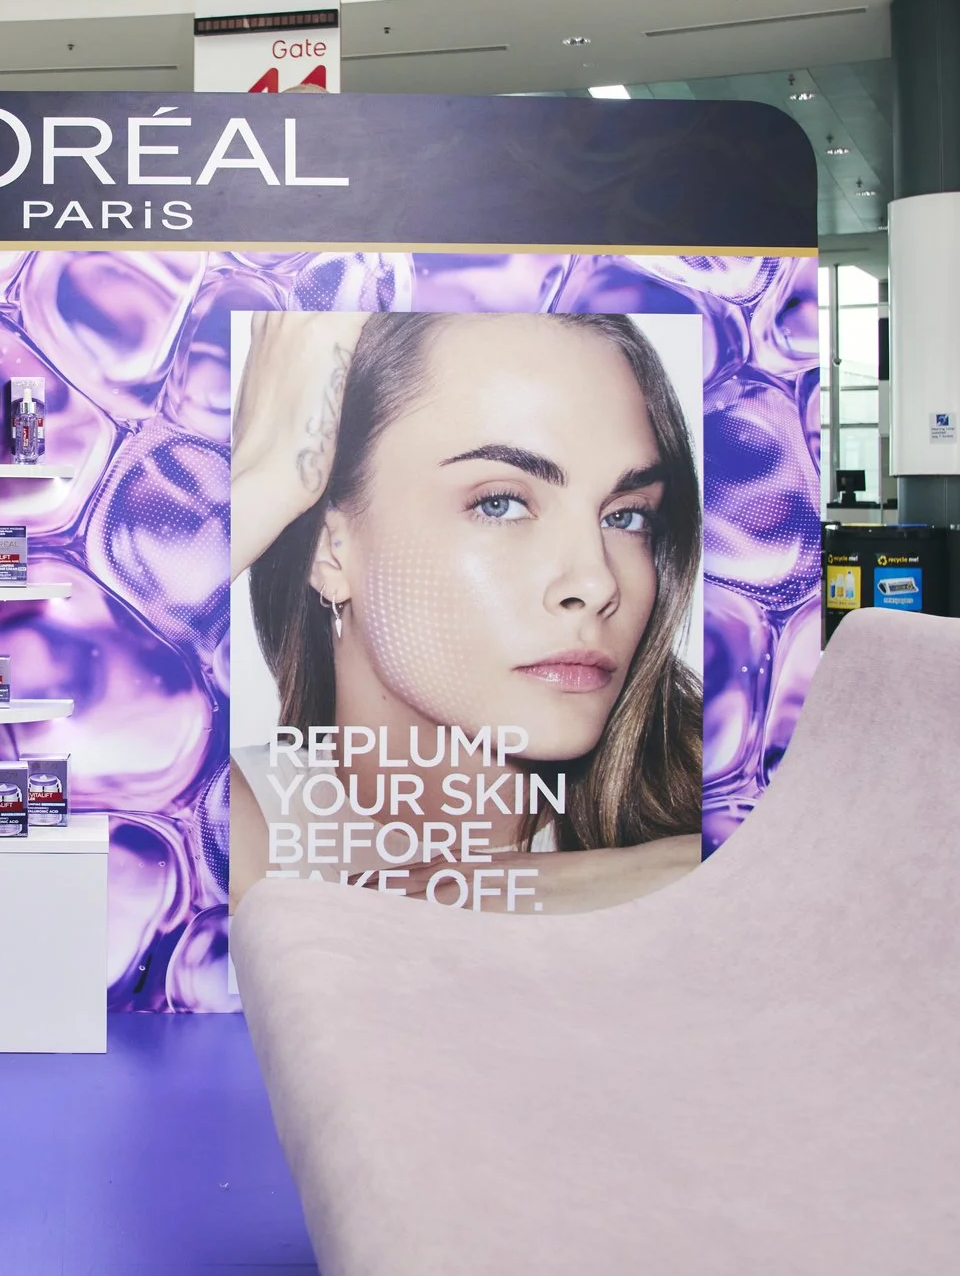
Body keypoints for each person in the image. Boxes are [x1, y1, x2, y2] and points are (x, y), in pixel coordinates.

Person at [228, 312, 703, 914]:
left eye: (626, 515)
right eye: (501, 503)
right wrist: (263, 475)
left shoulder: (730, 801)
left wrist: (492, 889)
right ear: (329, 548)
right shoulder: (229, 831)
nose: (596, 580)